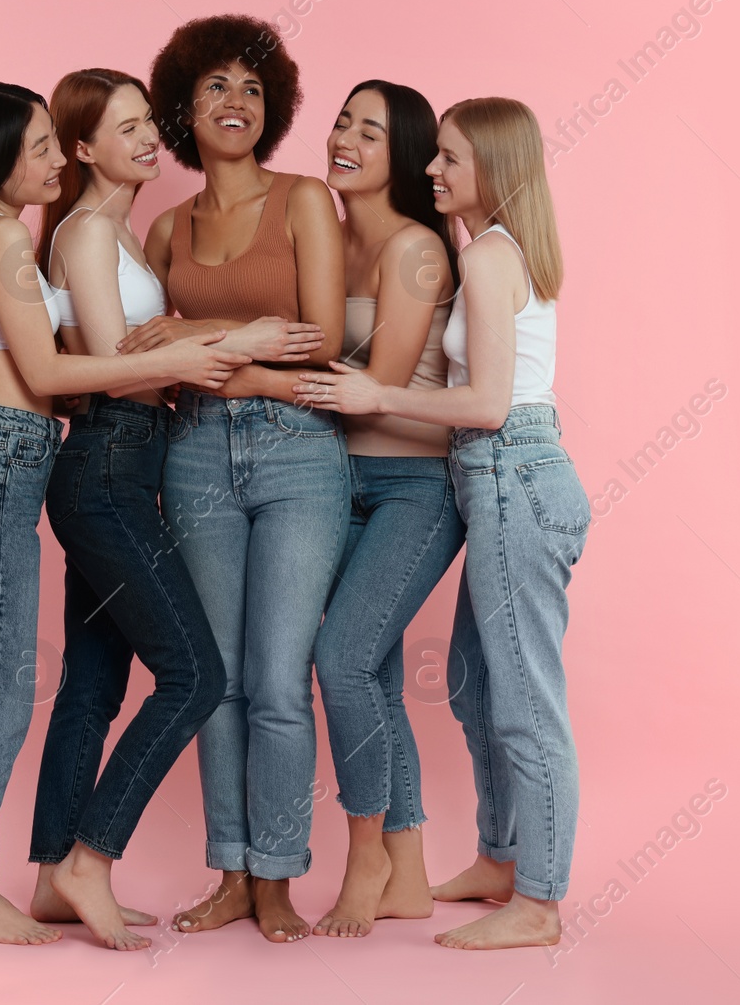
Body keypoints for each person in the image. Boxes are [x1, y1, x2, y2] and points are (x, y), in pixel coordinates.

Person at [0, 81, 248, 946]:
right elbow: (48, 377)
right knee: (1, 684)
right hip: (1, 460)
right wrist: (192, 355)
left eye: (56, 143)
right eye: (40, 146)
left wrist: (174, 348)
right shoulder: (5, 236)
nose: (54, 159)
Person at [26, 68, 318, 951]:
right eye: (127, 129)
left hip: (126, 463)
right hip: (111, 464)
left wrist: (196, 339)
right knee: (194, 675)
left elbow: (142, 344)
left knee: (91, 683)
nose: (151, 139)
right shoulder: (84, 232)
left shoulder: (119, 230)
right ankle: (89, 858)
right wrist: (242, 338)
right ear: (84, 149)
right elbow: (123, 359)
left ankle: (48, 878)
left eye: (151, 123)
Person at [296, 96, 590, 950]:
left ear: (492, 170)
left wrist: (378, 393)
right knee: (474, 683)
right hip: (495, 477)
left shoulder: (491, 259)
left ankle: (538, 901)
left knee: (525, 700)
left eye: (450, 159)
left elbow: (493, 404)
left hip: (514, 474)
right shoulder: (491, 253)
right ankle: (501, 859)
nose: (433, 170)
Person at [118, 14, 349, 943]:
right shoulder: (167, 226)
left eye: (253, 88)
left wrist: (197, 342)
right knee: (215, 680)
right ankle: (232, 871)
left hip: (300, 450)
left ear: (275, 107)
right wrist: (204, 350)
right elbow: (136, 350)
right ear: (183, 105)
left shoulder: (303, 203)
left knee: (280, 679)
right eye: (216, 85)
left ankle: (281, 876)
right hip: (198, 449)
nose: (237, 102)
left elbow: (324, 343)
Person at [307, 81, 462, 939]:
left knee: (342, 656)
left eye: (371, 131)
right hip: (338, 482)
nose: (346, 139)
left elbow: (378, 391)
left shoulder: (414, 250)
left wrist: (252, 369)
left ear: (401, 155)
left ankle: (364, 851)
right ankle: (408, 868)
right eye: (341, 121)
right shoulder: (324, 238)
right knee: (376, 677)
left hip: (417, 486)